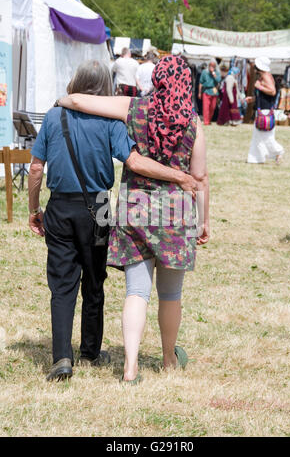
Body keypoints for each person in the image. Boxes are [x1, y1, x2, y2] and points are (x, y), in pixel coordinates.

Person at [28, 60, 198, 382]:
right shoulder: (110, 120)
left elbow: (36, 168)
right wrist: (181, 178)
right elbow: (132, 159)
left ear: (75, 79)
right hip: (101, 204)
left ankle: (62, 356)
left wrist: (34, 209)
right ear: (105, 86)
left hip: (60, 204)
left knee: (62, 284)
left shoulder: (52, 116)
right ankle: (91, 348)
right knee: (95, 279)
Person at [246, 57, 284, 164]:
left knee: (266, 137)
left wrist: (260, 86)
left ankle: (278, 152)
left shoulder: (266, 76)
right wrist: (252, 99)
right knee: (258, 136)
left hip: (265, 111)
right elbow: (263, 95)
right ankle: (256, 158)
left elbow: (272, 91)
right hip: (263, 109)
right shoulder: (264, 76)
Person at [198, 58, 221, 125]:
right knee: (206, 107)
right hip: (206, 90)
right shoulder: (204, 72)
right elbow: (201, 82)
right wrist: (199, 92)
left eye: (213, 65)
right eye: (211, 65)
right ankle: (206, 121)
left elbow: (218, 80)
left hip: (214, 91)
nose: (212, 67)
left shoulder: (217, 72)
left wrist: (213, 73)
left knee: (212, 107)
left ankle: (209, 119)